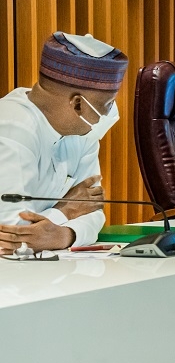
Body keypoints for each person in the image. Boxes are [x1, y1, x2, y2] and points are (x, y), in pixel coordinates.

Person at [0, 31, 128, 255]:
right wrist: (66, 211)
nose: (110, 114)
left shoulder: (83, 132)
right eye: (108, 104)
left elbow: (93, 212)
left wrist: (65, 235)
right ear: (78, 104)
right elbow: (9, 237)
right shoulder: (12, 127)